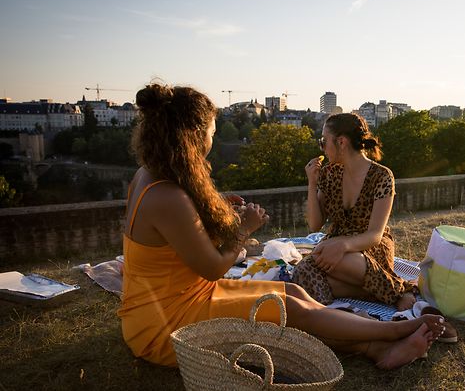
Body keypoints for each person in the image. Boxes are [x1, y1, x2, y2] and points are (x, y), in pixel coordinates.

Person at [117, 83, 445, 370]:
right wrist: (244, 228)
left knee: (292, 292)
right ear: (192, 136)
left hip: (183, 299)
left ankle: (374, 348)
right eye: (212, 133)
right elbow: (213, 266)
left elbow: (184, 240)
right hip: (167, 324)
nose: (212, 141)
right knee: (288, 309)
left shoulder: (152, 176)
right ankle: (395, 330)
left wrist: (220, 214)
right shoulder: (166, 194)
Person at [292, 113, 416, 310]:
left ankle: (398, 290)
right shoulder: (329, 173)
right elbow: (315, 224)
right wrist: (312, 183)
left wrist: (343, 245)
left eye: (323, 141)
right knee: (302, 271)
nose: (321, 147)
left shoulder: (382, 176)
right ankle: (370, 294)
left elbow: (374, 235)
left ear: (341, 142)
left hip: (369, 248)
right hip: (336, 244)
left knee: (319, 261)